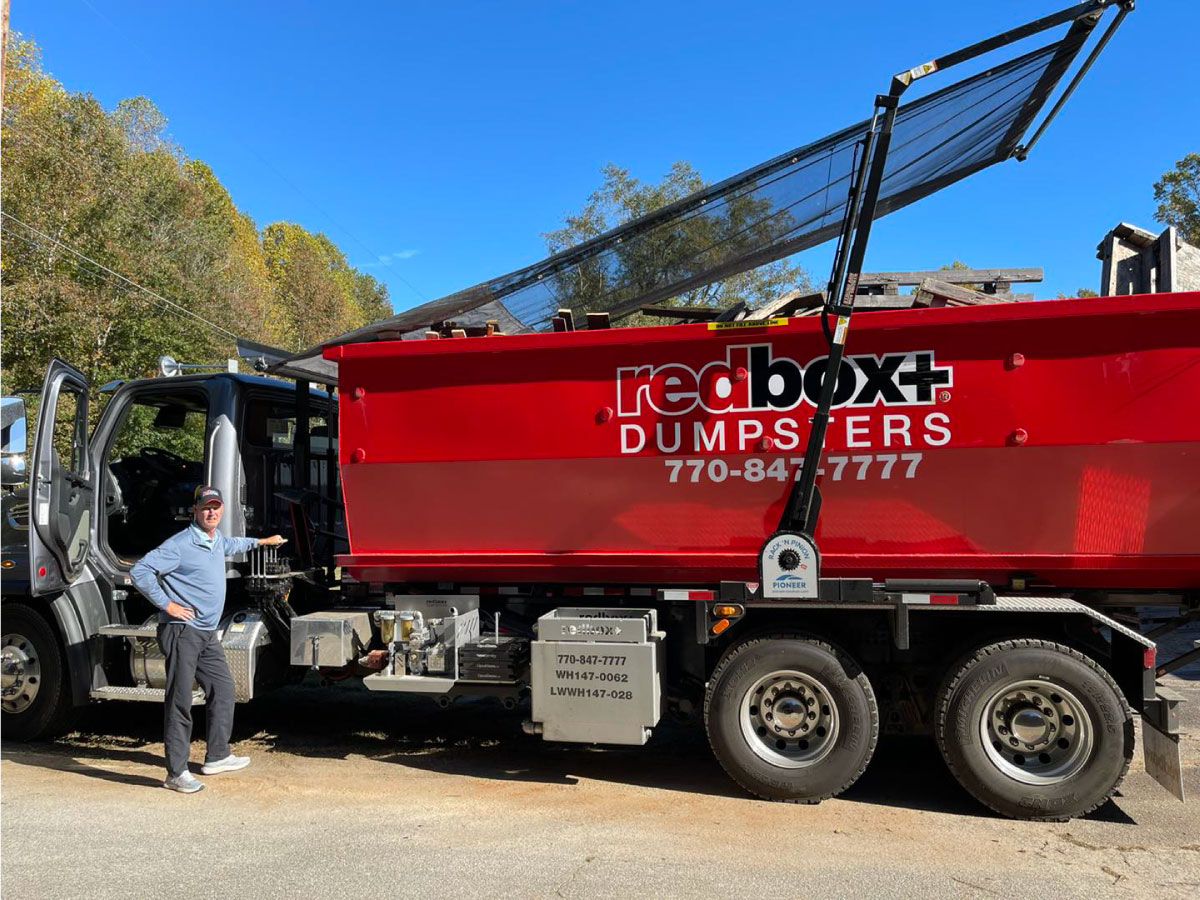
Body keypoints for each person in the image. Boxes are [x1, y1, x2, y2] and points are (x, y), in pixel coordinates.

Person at [130, 485, 286, 793]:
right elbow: (140, 571)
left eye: (216, 507)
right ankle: (176, 773)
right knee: (180, 700)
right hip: (181, 632)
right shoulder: (180, 544)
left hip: (205, 633)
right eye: (205, 508)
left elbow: (235, 543)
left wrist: (264, 541)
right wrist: (168, 605)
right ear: (195, 510)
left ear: (222, 509)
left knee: (223, 689)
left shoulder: (215, 540)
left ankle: (217, 755)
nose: (211, 512)